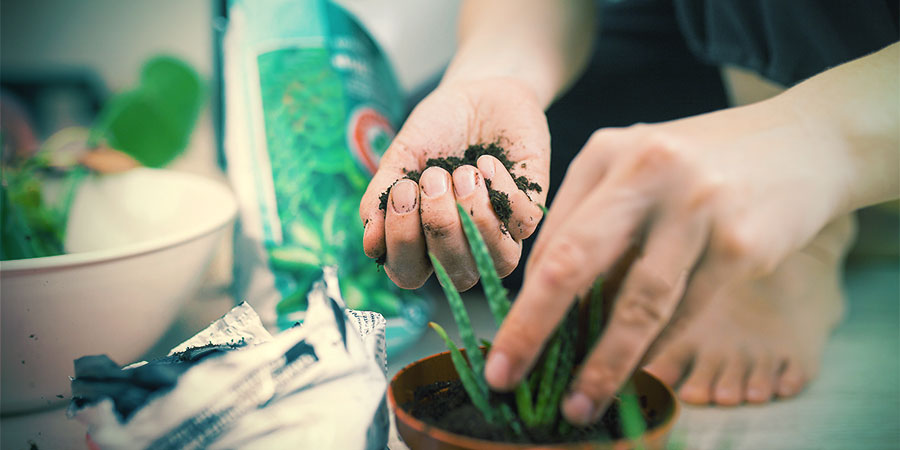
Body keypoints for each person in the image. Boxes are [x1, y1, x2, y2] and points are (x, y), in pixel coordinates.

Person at [359, 0, 899, 425]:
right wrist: (499, 73)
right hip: (714, 40)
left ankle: (808, 238)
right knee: (448, 188)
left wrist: (807, 141)